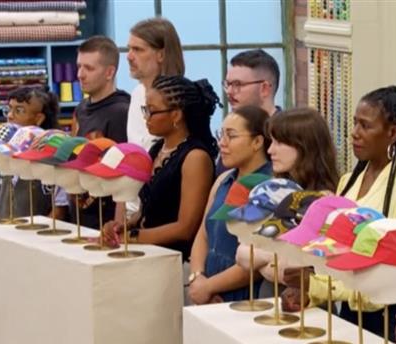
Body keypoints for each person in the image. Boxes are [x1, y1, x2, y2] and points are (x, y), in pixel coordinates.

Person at [307, 85, 396, 337]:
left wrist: (319, 287)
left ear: (392, 133)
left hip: (384, 312)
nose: (354, 133)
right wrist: (311, 281)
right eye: (354, 123)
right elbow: (336, 250)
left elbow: (395, 261)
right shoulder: (348, 180)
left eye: (365, 125)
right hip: (347, 307)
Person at [101, 75, 219, 261]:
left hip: (175, 259)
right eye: (145, 109)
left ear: (176, 115)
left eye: (151, 111)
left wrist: (133, 237)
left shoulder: (195, 157)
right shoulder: (157, 149)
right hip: (150, 253)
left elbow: (185, 228)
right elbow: (149, 210)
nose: (145, 117)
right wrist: (123, 226)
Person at [237, 107, 340, 307]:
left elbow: (292, 270)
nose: (270, 150)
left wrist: (264, 253)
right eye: (271, 141)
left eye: (279, 142)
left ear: (304, 146)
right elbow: (243, 255)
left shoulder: (326, 202)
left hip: (308, 307)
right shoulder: (273, 192)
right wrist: (278, 254)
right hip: (268, 299)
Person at [188, 105, 275, 304]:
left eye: (231, 136)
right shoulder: (224, 179)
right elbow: (203, 233)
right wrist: (197, 278)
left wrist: (210, 287)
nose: (222, 143)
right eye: (222, 135)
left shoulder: (269, 187)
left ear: (257, 142)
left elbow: (260, 257)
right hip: (206, 288)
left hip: (245, 295)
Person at [71, 35, 131, 230]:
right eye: (79, 66)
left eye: (89, 68)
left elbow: (125, 173)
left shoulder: (122, 112)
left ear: (109, 72)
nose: (80, 74)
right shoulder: (81, 108)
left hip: (105, 220)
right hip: (80, 214)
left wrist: (118, 225)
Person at [0, 87, 67, 221]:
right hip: (3, 230)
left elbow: (59, 210)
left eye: (19, 110)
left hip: (40, 231)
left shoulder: (54, 154)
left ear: (39, 118)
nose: (10, 116)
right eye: (9, 109)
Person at [216, 49, 281, 175]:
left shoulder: (284, 136)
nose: (229, 91)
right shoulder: (231, 127)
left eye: (237, 84)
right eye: (228, 84)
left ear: (264, 88)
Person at [126, 17, 185, 150]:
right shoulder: (138, 93)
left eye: (138, 49)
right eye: (129, 49)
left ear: (161, 55)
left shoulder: (179, 98)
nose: (129, 56)